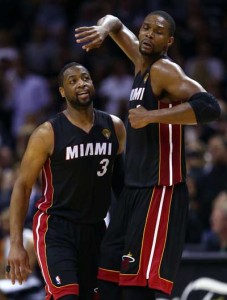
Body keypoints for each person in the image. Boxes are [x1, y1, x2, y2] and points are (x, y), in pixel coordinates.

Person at [75, 10, 221, 300]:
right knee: (106, 274)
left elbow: (210, 107)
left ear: (168, 41)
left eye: (157, 31)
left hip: (159, 190)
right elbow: (113, 21)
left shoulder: (165, 71)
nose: (149, 34)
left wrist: (151, 116)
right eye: (146, 28)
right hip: (133, 189)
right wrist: (103, 31)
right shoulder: (141, 61)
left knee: (135, 287)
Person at [5, 62, 126, 300]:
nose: (81, 83)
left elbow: (121, 185)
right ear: (62, 91)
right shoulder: (47, 133)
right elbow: (22, 186)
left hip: (96, 229)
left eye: (85, 78)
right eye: (72, 80)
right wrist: (16, 244)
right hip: (56, 229)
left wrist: (132, 228)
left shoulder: (115, 127)